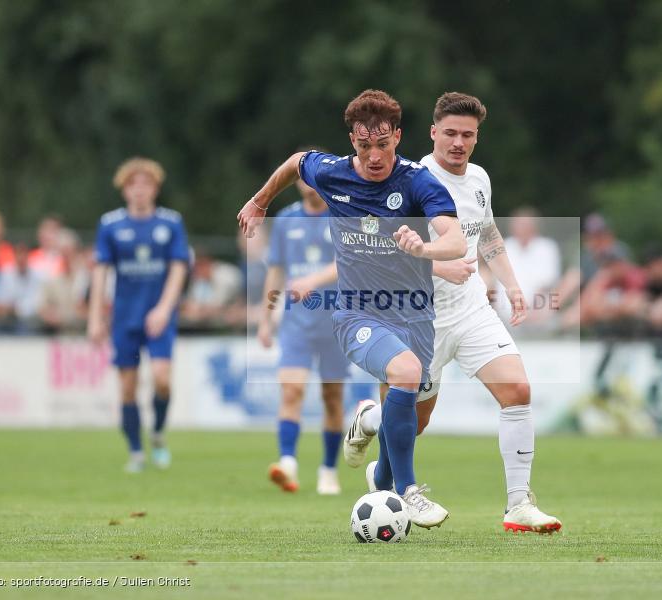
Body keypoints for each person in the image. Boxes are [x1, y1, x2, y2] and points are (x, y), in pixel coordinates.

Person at [237, 89, 466, 528]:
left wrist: (426, 248)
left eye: (383, 144)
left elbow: (455, 240)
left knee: (414, 419)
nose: (374, 155)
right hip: (357, 314)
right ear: (352, 141)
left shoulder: (418, 182)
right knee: (404, 372)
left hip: (416, 315)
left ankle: (376, 457)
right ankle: (410, 491)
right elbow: (296, 161)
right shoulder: (333, 173)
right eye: (364, 146)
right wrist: (261, 201)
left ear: (398, 136)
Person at [341, 92, 561, 534]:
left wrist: (512, 284)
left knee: (517, 390)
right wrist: (438, 262)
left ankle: (518, 504)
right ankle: (369, 420)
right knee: (413, 423)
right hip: (418, 316)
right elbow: (380, 250)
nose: (459, 143)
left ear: (477, 138)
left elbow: (488, 230)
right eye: (451, 134)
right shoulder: (409, 181)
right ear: (432, 133)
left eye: (468, 135)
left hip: (472, 309)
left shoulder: (479, 178)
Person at [88, 157, 190, 473]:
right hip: (125, 319)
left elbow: (178, 268)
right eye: (134, 185)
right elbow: (101, 273)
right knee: (128, 388)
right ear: (125, 190)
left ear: (156, 189)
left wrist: (163, 308)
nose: (140, 191)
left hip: (159, 318)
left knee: (162, 381)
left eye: (146, 185)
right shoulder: (110, 225)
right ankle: (135, 451)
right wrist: (95, 318)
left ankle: (157, 432)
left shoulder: (171, 223)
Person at [258, 177, 349, 495]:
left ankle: (328, 469)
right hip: (296, 322)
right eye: (301, 179)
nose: (308, 185)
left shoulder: (342, 215)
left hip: (336, 321)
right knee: (292, 390)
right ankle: (288, 463)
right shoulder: (285, 219)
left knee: (332, 397)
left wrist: (313, 280)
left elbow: (349, 262)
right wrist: (266, 316)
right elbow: (276, 270)